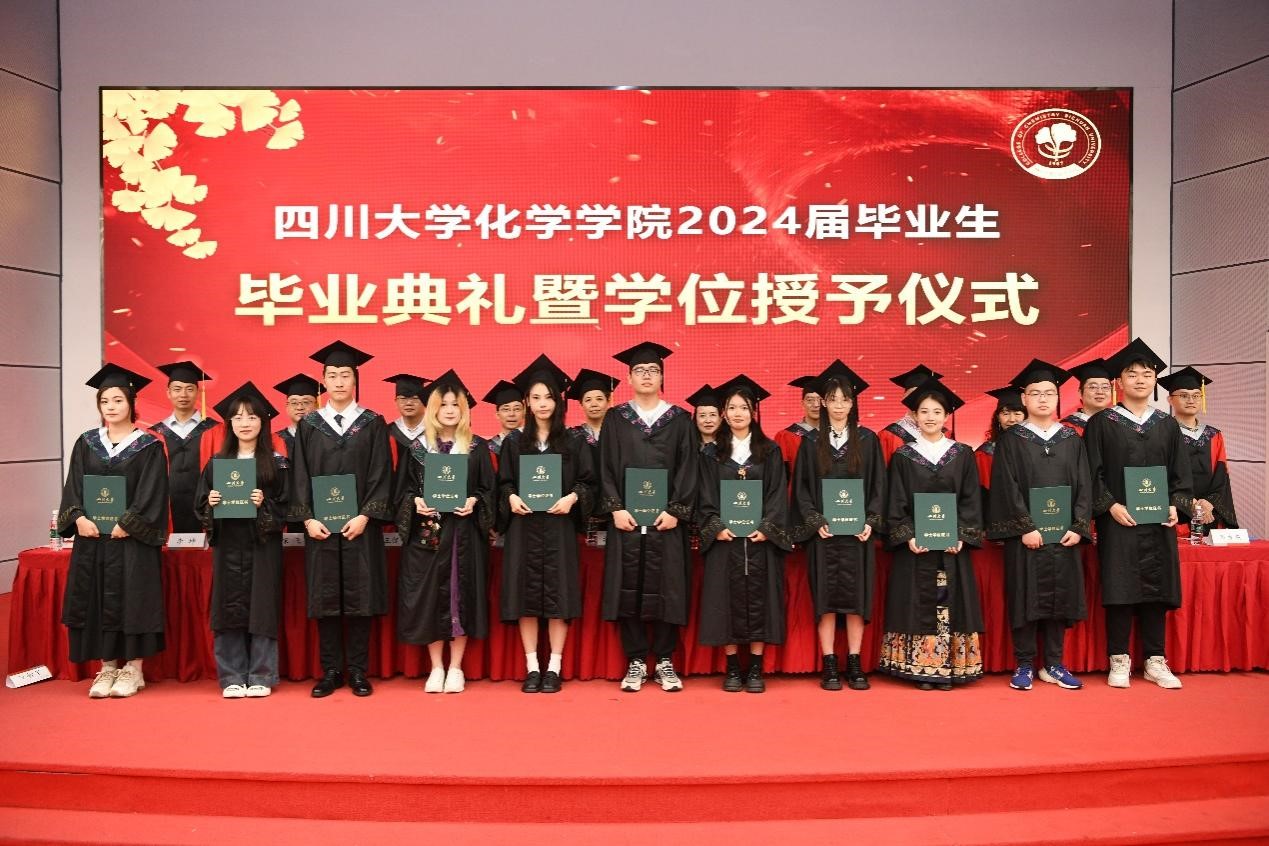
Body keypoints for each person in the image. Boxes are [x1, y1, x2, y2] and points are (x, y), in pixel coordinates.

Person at [1084, 338, 1192, 690]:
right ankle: (1119, 658)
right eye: (1132, 374)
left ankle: (1155, 660)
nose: (1141, 380)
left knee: (1157, 589)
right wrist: (1109, 506)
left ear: (1155, 380)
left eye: (1147, 374)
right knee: (1120, 587)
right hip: (1119, 522)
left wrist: (1176, 505)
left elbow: (1181, 475)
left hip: (1158, 522)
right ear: (1119, 381)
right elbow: (1091, 473)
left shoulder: (1167, 425)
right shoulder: (1102, 423)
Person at [289, 340, 394, 698]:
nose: (338, 381)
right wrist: (307, 519)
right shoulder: (309, 425)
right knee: (326, 598)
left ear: (355, 380)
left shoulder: (373, 423)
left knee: (360, 597)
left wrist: (366, 515)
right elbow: (299, 475)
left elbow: (381, 473)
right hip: (320, 529)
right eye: (332, 375)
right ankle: (331, 671)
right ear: (323, 381)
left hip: (359, 528)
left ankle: (359, 671)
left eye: (344, 375)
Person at [57, 364, 169, 699]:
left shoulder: (148, 446)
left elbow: (152, 492)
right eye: (105, 400)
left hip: (131, 541)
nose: (111, 406)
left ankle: (133, 669)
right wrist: (78, 518)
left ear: (132, 403)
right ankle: (106, 667)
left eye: (118, 400)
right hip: (93, 539)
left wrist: (128, 523)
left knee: (133, 600)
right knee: (96, 598)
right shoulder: (87, 443)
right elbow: (74, 487)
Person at [987, 360, 1092, 692]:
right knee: (1025, 597)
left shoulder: (1071, 438)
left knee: (1061, 598)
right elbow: (1006, 486)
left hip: (1064, 535)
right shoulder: (1011, 440)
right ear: (1025, 399)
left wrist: (1078, 525)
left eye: (1049, 393)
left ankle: (1055, 664)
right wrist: (1025, 527)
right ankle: (1024, 664)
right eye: (1035, 393)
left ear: (1058, 398)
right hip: (1027, 537)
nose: (1043, 399)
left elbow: (1084, 485)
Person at [599, 341, 697, 693]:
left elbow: (688, 468)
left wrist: (676, 510)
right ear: (628, 378)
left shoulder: (680, 419)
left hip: (666, 522)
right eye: (639, 371)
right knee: (630, 585)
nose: (646, 376)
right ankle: (637, 660)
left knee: (669, 586)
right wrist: (615, 507)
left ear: (662, 377)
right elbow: (605, 465)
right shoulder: (616, 418)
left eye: (653, 371)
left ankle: (666, 659)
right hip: (627, 520)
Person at [878, 378, 985, 690]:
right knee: (918, 602)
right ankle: (921, 668)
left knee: (950, 601)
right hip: (916, 550)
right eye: (923, 411)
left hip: (952, 548)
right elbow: (896, 501)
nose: (930, 417)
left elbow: (971, 500)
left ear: (946, 416)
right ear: (914, 415)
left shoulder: (962, 454)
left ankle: (949, 667)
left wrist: (961, 535)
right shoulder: (903, 456)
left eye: (937, 412)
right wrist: (908, 536)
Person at [499, 356, 597, 693]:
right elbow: (504, 483)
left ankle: (553, 667)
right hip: (523, 527)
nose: (543, 404)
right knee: (524, 596)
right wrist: (511, 497)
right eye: (536, 397)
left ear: (558, 401)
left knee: (559, 597)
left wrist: (572, 498)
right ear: (527, 401)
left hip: (558, 528)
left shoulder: (574, 441)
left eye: (549, 397)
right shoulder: (514, 442)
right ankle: (532, 668)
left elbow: (588, 482)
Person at [395, 370, 496, 694]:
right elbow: (402, 492)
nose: (450, 410)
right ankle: (436, 667)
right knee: (431, 598)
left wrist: (474, 501)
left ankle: (456, 668)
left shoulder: (476, 447)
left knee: (459, 595)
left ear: (464, 409)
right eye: (443, 404)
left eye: (456, 404)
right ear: (433, 409)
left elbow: (488, 490)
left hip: (464, 535)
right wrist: (416, 502)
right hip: (430, 534)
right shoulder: (417, 448)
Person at [790, 360, 885, 691]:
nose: (840, 405)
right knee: (826, 601)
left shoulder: (868, 440)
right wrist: (815, 521)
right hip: (824, 536)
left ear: (853, 402)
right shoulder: (810, 442)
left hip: (858, 536)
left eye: (845, 399)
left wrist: (871, 520)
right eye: (833, 399)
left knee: (857, 600)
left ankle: (855, 662)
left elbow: (878, 487)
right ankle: (829, 662)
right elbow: (801, 490)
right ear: (824, 402)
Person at [697, 376, 791, 693]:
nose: (738, 413)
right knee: (725, 600)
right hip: (725, 542)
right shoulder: (711, 454)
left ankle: (755, 669)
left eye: (744, 408)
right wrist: (716, 527)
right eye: (732, 408)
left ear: (754, 412)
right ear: (724, 413)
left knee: (760, 599)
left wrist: (766, 528)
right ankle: (733, 668)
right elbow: (705, 495)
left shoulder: (770, 451)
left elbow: (777, 495)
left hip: (759, 542)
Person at [195, 382, 289, 699]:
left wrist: (265, 503)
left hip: (262, 545)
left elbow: (288, 505)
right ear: (229, 423)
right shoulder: (217, 464)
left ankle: (261, 674)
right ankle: (232, 675)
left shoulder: (277, 463)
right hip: (228, 544)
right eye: (237, 417)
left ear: (263, 422)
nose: (244, 423)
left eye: (251, 417)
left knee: (262, 606)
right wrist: (211, 501)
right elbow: (200, 505)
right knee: (227, 606)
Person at [1158, 366, 1238, 535]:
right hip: (1176, 514)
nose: (1191, 400)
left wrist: (1209, 503)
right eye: (1183, 395)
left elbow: (1222, 475)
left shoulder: (1214, 435)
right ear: (1170, 400)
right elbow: (1160, 474)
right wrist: (1189, 502)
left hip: (1210, 514)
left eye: (1196, 395)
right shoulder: (1162, 433)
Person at [151, 360, 219, 533]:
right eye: (177, 389)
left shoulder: (215, 430)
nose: (183, 394)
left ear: (198, 392)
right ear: (168, 393)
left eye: (189, 389)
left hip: (207, 511)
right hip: (167, 513)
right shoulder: (154, 434)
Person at [975, 386, 1025, 521]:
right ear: (998, 417)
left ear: (1026, 417)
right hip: (997, 519)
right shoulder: (984, 454)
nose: (1012, 419)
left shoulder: (1037, 449)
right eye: (1005, 413)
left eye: (1017, 413)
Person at [878, 364, 943, 463]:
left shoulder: (944, 433)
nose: (918, 399)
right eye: (913, 394)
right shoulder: (889, 435)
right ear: (904, 398)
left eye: (924, 394)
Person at [567, 368, 619, 470]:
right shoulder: (572, 436)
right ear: (581, 404)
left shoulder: (619, 434)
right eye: (588, 400)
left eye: (599, 399)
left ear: (608, 401)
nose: (594, 404)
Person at [773, 375, 821, 476]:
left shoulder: (836, 437)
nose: (816, 405)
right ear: (802, 403)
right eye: (810, 400)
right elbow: (780, 476)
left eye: (820, 399)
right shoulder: (785, 436)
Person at [384, 373, 431, 470]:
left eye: (415, 398)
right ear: (396, 401)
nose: (409, 403)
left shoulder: (435, 431)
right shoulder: (387, 432)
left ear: (425, 401)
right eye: (403, 398)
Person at [272, 373, 321, 459]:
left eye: (306, 402)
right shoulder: (273, 440)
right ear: (287, 407)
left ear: (317, 406)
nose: (299, 407)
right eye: (294, 403)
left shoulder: (327, 438)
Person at [1061, 358, 1113, 436]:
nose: (1100, 392)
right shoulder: (1068, 427)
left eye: (1105, 387)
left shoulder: (1119, 424)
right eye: (1093, 387)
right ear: (1080, 393)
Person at [484, 380, 525, 462]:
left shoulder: (533, 443)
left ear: (524, 413)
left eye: (517, 409)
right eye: (506, 409)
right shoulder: (488, 448)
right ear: (497, 415)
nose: (511, 414)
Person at [686, 383, 722, 453]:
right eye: (702, 415)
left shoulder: (731, 448)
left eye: (713, 415)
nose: (708, 420)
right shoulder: (686, 449)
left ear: (720, 418)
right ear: (695, 419)